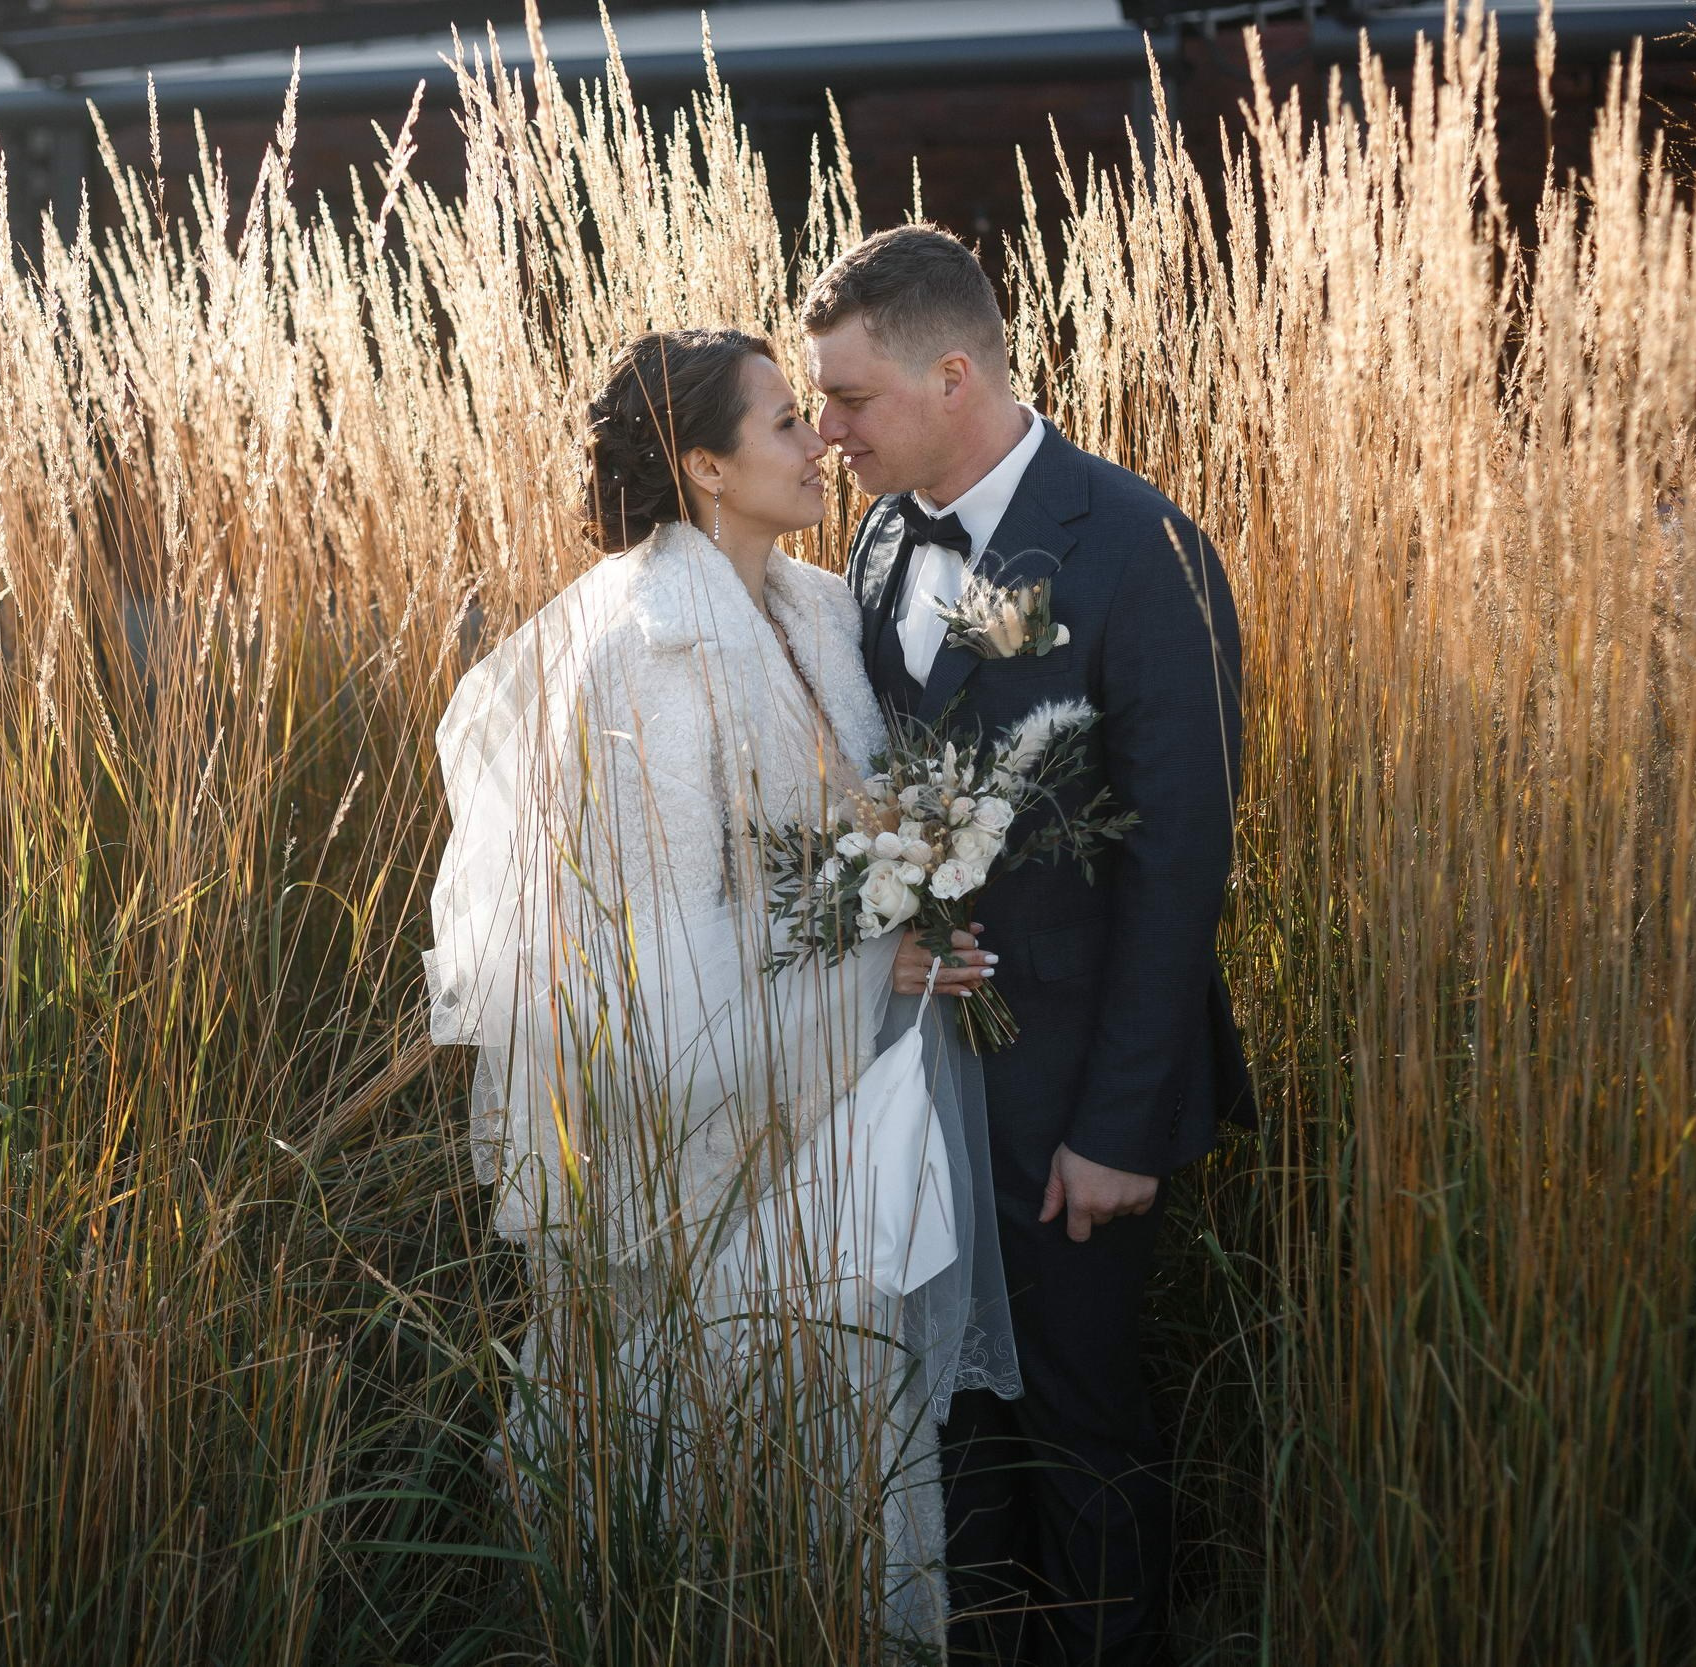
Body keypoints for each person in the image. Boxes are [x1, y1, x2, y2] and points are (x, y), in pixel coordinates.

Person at [423, 327, 1020, 1653]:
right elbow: (668, 953)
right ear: (702, 465)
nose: (822, 443)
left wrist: (912, 888)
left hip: (835, 1112)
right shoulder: (649, 650)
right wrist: (881, 955)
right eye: (782, 425)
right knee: (708, 1425)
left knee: (848, 1421)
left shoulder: (813, 608)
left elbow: (839, 836)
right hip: (713, 1132)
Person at [804, 226, 1253, 1667]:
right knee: (952, 1427)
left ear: (953, 373)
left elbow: (1181, 867)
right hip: (916, 1087)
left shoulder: (1139, 547)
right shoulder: (877, 541)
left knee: (1083, 1424)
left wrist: (1119, 1127)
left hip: (1074, 1101)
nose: (828, 433)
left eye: (853, 401)